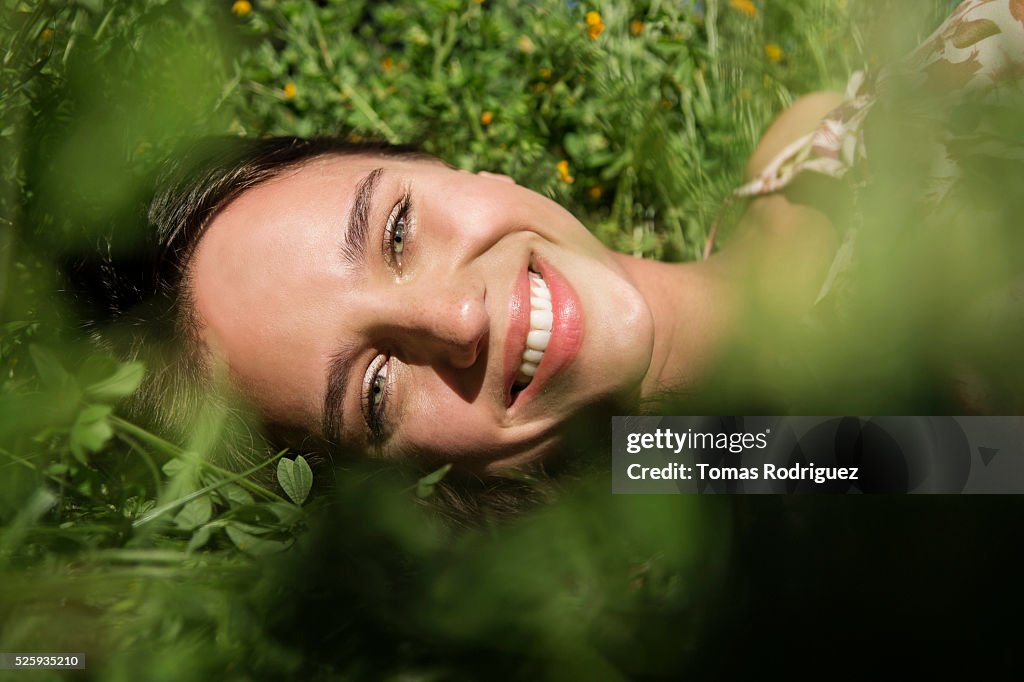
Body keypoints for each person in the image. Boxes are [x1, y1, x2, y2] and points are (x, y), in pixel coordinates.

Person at [128, 1, 1024, 497]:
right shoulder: (868, 483)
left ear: (447, 165)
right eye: (373, 390)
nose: (456, 316)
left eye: (396, 229)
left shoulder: (792, 156)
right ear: (419, 481)